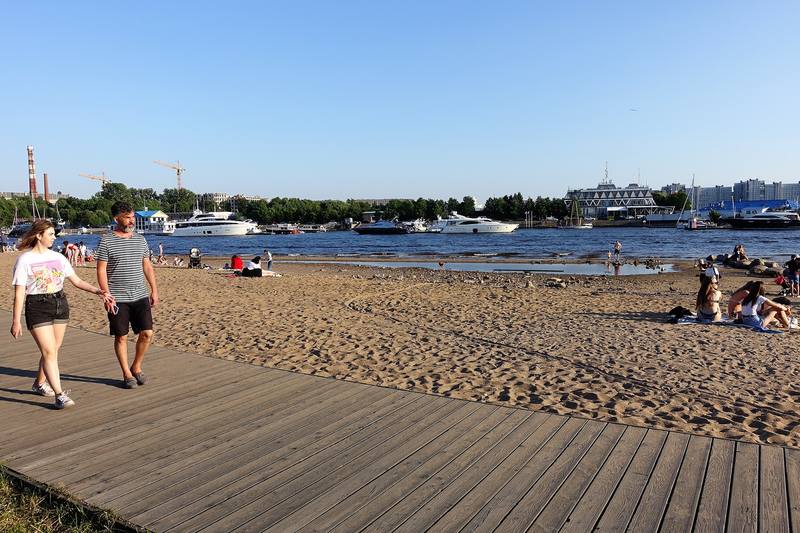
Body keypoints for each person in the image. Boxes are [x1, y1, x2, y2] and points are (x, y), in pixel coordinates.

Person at [10, 220, 114, 409]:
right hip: (37, 306)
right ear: (39, 235)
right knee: (49, 351)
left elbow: (77, 281)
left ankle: (39, 383)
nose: (54, 237)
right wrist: (16, 320)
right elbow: (19, 293)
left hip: (60, 304)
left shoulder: (58, 257)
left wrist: (98, 292)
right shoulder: (25, 260)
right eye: (51, 234)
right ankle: (59, 395)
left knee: (53, 350)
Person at [96, 202, 159, 389]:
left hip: (140, 295)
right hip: (118, 297)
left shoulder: (140, 240)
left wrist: (154, 290)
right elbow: (101, 270)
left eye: (132, 217)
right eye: (127, 217)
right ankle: (126, 373)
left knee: (147, 333)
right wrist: (106, 295)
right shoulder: (106, 240)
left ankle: (136, 366)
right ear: (116, 219)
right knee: (121, 336)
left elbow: (147, 265)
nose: (132, 221)